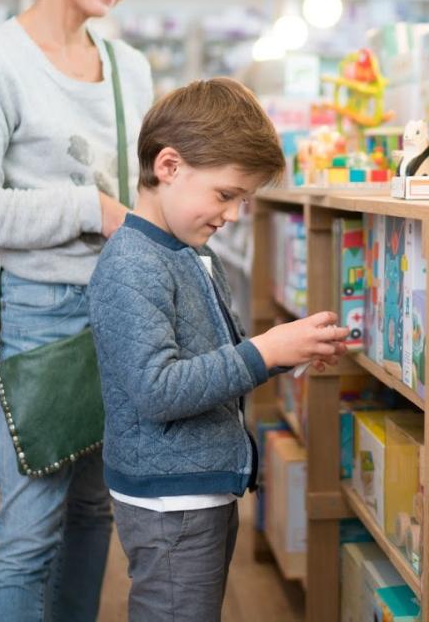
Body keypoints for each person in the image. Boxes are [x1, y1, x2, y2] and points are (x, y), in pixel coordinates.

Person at [0, 0, 162, 622]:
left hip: (121, 310)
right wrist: (87, 210)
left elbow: (142, 189)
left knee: (96, 511)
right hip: (42, 314)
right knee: (28, 531)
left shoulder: (130, 68)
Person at [89, 78, 350, 621]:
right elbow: (157, 390)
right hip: (171, 498)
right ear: (169, 166)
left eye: (242, 201)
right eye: (226, 194)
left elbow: (213, 361)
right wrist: (264, 352)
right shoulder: (132, 263)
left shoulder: (185, 251)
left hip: (193, 484)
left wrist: (286, 351)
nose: (232, 215)